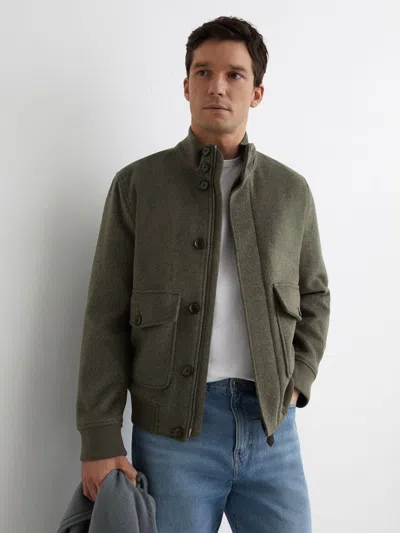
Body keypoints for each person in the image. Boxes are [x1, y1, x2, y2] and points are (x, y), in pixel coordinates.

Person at [77, 15, 330, 533]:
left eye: (235, 74)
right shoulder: (137, 186)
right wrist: (99, 437)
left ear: (256, 93)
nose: (217, 86)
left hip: (272, 432)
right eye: (203, 72)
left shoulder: (290, 192)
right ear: (186, 85)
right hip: (172, 439)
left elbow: (315, 295)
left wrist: (297, 380)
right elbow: (105, 314)